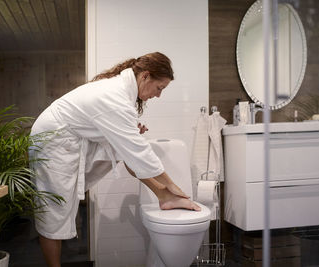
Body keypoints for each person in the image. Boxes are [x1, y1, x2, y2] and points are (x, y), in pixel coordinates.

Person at [29, 52, 201, 267]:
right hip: (52, 142)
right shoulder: (115, 96)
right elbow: (140, 153)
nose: (158, 96)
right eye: (160, 88)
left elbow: (131, 150)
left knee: (126, 148)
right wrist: (173, 185)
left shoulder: (120, 91)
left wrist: (129, 133)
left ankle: (163, 196)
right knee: (53, 211)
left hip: (69, 137)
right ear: (145, 76)